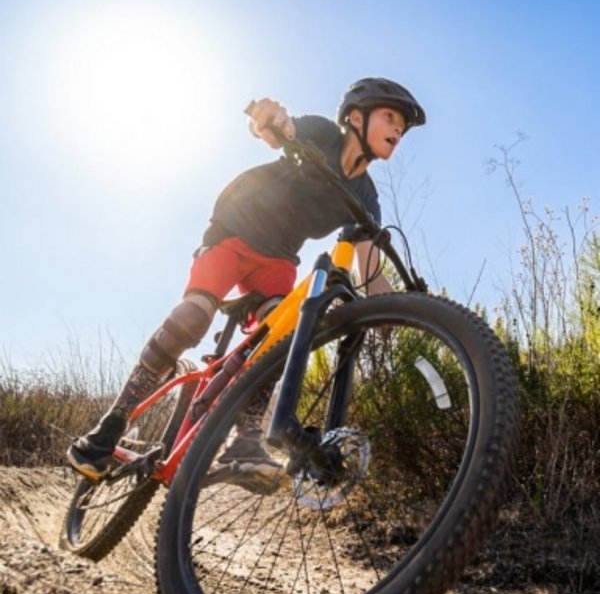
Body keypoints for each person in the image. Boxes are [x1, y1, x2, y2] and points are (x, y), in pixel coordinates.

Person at [67, 77, 426, 481]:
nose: (398, 129)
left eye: (403, 126)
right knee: (192, 318)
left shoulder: (367, 196)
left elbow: (371, 267)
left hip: (277, 263)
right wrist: (270, 118)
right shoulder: (323, 134)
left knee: (280, 341)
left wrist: (398, 312)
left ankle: (245, 441)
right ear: (356, 118)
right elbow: (282, 129)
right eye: (391, 117)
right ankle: (110, 425)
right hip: (234, 232)